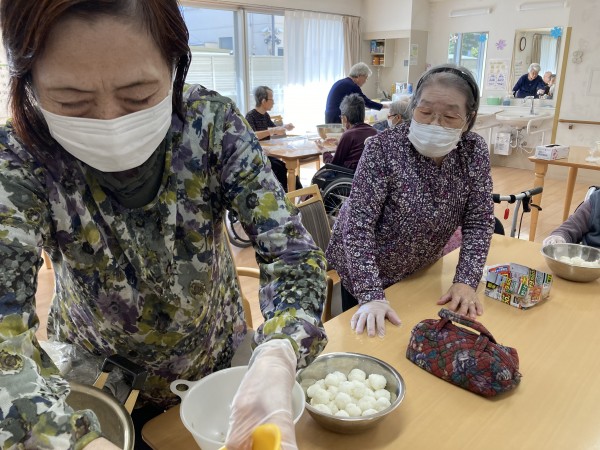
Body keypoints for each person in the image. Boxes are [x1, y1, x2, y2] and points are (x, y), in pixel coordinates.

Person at [0, 2, 328, 449]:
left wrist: (278, 353)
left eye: (138, 96)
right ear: (28, 84)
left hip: (216, 369)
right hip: (97, 384)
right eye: (72, 102)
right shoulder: (19, 159)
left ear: (175, 65)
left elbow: (292, 254)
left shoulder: (209, 124)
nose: (111, 123)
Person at [326, 64, 495, 338]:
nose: (434, 124)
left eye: (450, 116)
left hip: (419, 270)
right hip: (365, 270)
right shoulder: (383, 148)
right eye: (425, 112)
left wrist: (466, 280)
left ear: (469, 119)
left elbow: (478, 222)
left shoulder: (473, 152)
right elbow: (357, 226)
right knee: (369, 340)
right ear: (413, 106)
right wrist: (370, 294)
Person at [245, 85, 302, 191]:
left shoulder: (265, 115)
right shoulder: (250, 116)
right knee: (280, 168)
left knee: (285, 167)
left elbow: (275, 130)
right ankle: (286, 194)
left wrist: (285, 127)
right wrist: (272, 131)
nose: (273, 102)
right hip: (257, 156)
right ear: (263, 101)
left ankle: (300, 194)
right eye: (271, 99)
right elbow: (252, 135)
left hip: (268, 153)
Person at [318, 94, 377, 170]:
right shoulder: (374, 131)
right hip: (368, 174)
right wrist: (339, 144)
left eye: (341, 117)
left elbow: (333, 164)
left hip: (349, 175)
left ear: (345, 119)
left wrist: (324, 151)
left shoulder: (348, 135)